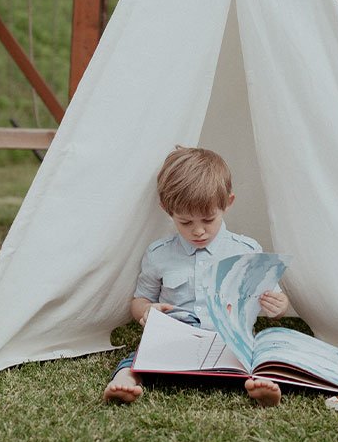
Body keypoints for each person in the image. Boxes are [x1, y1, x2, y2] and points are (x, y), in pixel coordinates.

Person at [104, 145, 289, 406]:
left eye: (208, 220)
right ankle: (126, 379)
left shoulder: (246, 251)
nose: (198, 231)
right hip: (177, 337)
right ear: (168, 211)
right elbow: (139, 300)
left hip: (229, 339)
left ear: (228, 203)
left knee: (258, 357)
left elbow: (277, 301)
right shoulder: (159, 254)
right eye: (186, 222)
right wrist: (147, 311)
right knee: (139, 357)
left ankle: (258, 387)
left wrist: (278, 306)